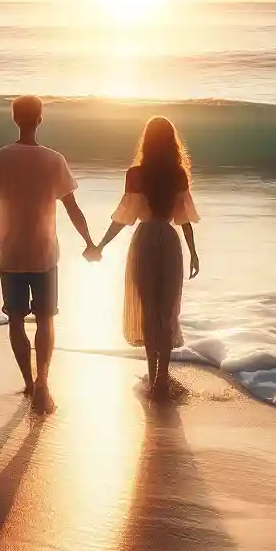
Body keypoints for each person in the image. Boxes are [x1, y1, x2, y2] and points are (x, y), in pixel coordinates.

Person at [0, 94, 99, 413]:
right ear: (40, 120)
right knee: (46, 320)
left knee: (16, 320)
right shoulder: (53, 160)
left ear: (15, 119)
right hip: (45, 255)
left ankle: (29, 384)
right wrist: (90, 242)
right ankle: (43, 379)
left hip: (11, 255)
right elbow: (73, 208)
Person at [96, 115, 200, 402]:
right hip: (169, 241)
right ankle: (162, 380)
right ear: (172, 142)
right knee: (166, 312)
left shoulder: (135, 174)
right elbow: (184, 218)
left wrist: (101, 244)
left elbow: (124, 217)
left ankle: (153, 373)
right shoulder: (178, 174)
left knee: (148, 309)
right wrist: (192, 252)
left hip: (144, 242)